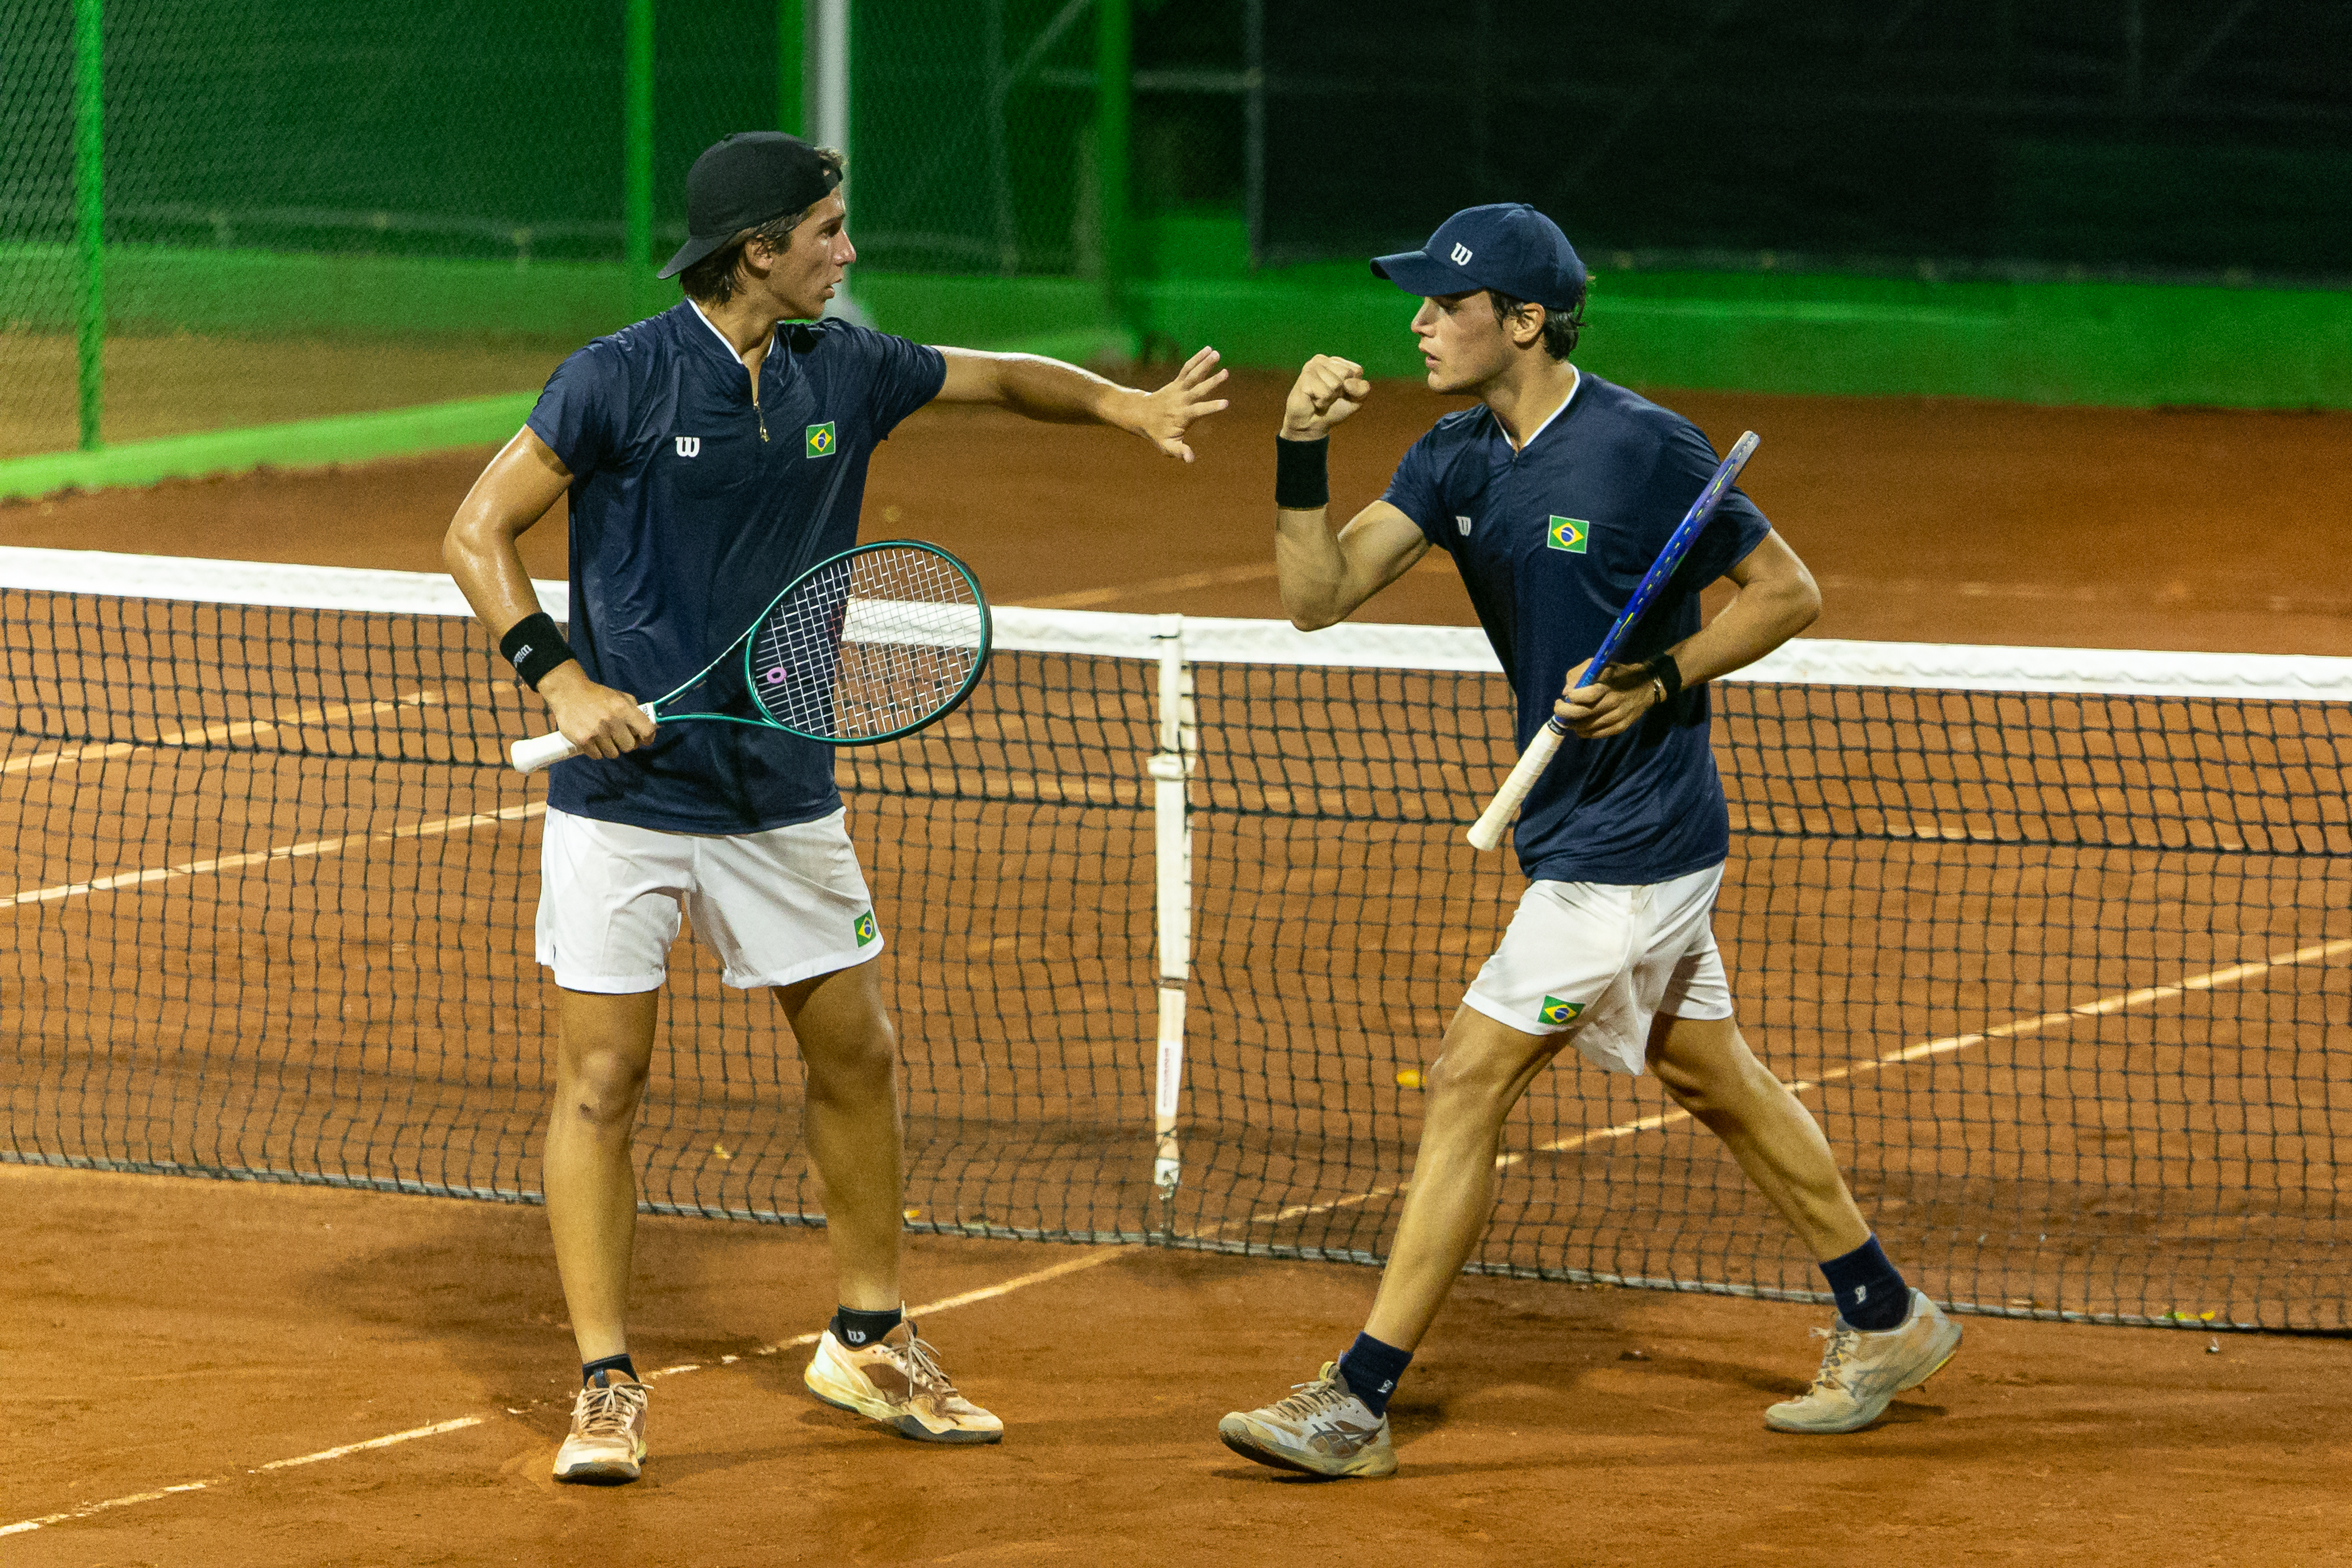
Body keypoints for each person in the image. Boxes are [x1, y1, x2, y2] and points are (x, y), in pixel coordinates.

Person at [444, 131, 1229, 1484]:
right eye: (828, 231)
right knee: (603, 1078)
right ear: (760, 249)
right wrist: (559, 678)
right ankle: (605, 1381)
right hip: (624, 799)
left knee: (856, 1052)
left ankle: (867, 1339)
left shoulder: (844, 368)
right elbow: (476, 529)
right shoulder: (617, 378)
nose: (848, 251)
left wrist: (1124, 407)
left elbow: (998, 378)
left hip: (782, 789)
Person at [1215, 204, 1959, 1480]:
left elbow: (1788, 591)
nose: (1418, 322)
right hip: (1571, 825)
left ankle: (1357, 1396)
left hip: (1640, 833)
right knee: (1712, 1072)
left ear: (1524, 321)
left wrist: (1660, 678)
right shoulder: (1453, 458)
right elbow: (1313, 598)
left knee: (1467, 1079)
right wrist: (1297, 449)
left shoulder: (1644, 447)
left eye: (1446, 304)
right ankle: (1888, 1314)